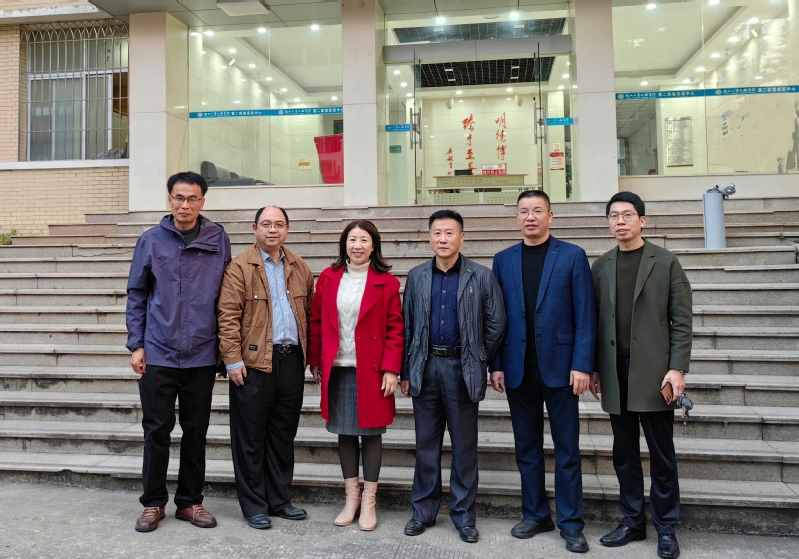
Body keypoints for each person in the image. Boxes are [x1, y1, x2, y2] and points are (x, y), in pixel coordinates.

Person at [490, 190, 596, 553]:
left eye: (537, 210)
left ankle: (570, 523)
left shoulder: (572, 255)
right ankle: (536, 514)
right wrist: (497, 364)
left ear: (551, 216)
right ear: (517, 217)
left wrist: (582, 363)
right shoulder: (503, 260)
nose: (530, 217)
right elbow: (497, 319)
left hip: (563, 369)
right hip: (518, 369)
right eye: (524, 211)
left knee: (567, 450)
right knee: (527, 448)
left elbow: (585, 314)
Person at [126, 171, 232, 533]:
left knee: (196, 431)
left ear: (203, 202)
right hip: (159, 350)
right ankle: (153, 503)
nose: (185, 205)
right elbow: (137, 293)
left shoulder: (218, 238)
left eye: (192, 199)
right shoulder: (150, 240)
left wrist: (225, 347)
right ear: (169, 199)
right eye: (179, 198)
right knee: (156, 430)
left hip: (202, 353)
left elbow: (227, 295)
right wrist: (137, 343)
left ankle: (190, 501)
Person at [590, 192, 691, 559]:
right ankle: (632, 521)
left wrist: (677, 367)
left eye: (628, 215)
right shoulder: (601, 266)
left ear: (642, 220)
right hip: (615, 371)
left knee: (662, 455)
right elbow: (594, 321)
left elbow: (681, 319)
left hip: (654, 372)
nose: (620, 221)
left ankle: (666, 527)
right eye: (614, 216)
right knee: (624, 453)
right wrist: (595, 367)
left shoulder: (665, 262)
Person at [400, 209, 506, 544]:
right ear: (429, 237)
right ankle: (423, 512)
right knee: (426, 445)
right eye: (437, 233)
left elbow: (496, 323)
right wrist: (406, 370)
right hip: (426, 365)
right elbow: (407, 325)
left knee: (464, 448)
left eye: (449, 233)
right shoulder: (417, 276)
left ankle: (463, 516)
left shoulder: (481, 276)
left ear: (462, 237)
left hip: (463, 368)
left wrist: (478, 355)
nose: (443, 239)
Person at [217, 206, 314, 530]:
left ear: (287, 229)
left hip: (291, 360)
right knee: (250, 436)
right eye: (267, 224)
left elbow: (309, 313)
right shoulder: (239, 267)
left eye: (279, 224)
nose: (273, 230)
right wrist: (232, 359)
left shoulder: (299, 266)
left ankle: (279, 500)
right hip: (253, 363)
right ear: (254, 228)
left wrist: (311, 357)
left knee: (283, 435)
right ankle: (254, 504)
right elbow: (228, 316)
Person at [308, 220, 404, 531]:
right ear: (344, 244)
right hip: (338, 367)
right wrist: (314, 359)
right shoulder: (328, 277)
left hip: (372, 369)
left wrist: (392, 368)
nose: (357, 245)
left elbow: (396, 328)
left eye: (364, 240)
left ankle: (369, 502)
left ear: (374, 245)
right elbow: (316, 321)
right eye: (352, 239)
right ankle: (351, 498)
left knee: (372, 433)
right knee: (345, 433)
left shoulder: (387, 283)